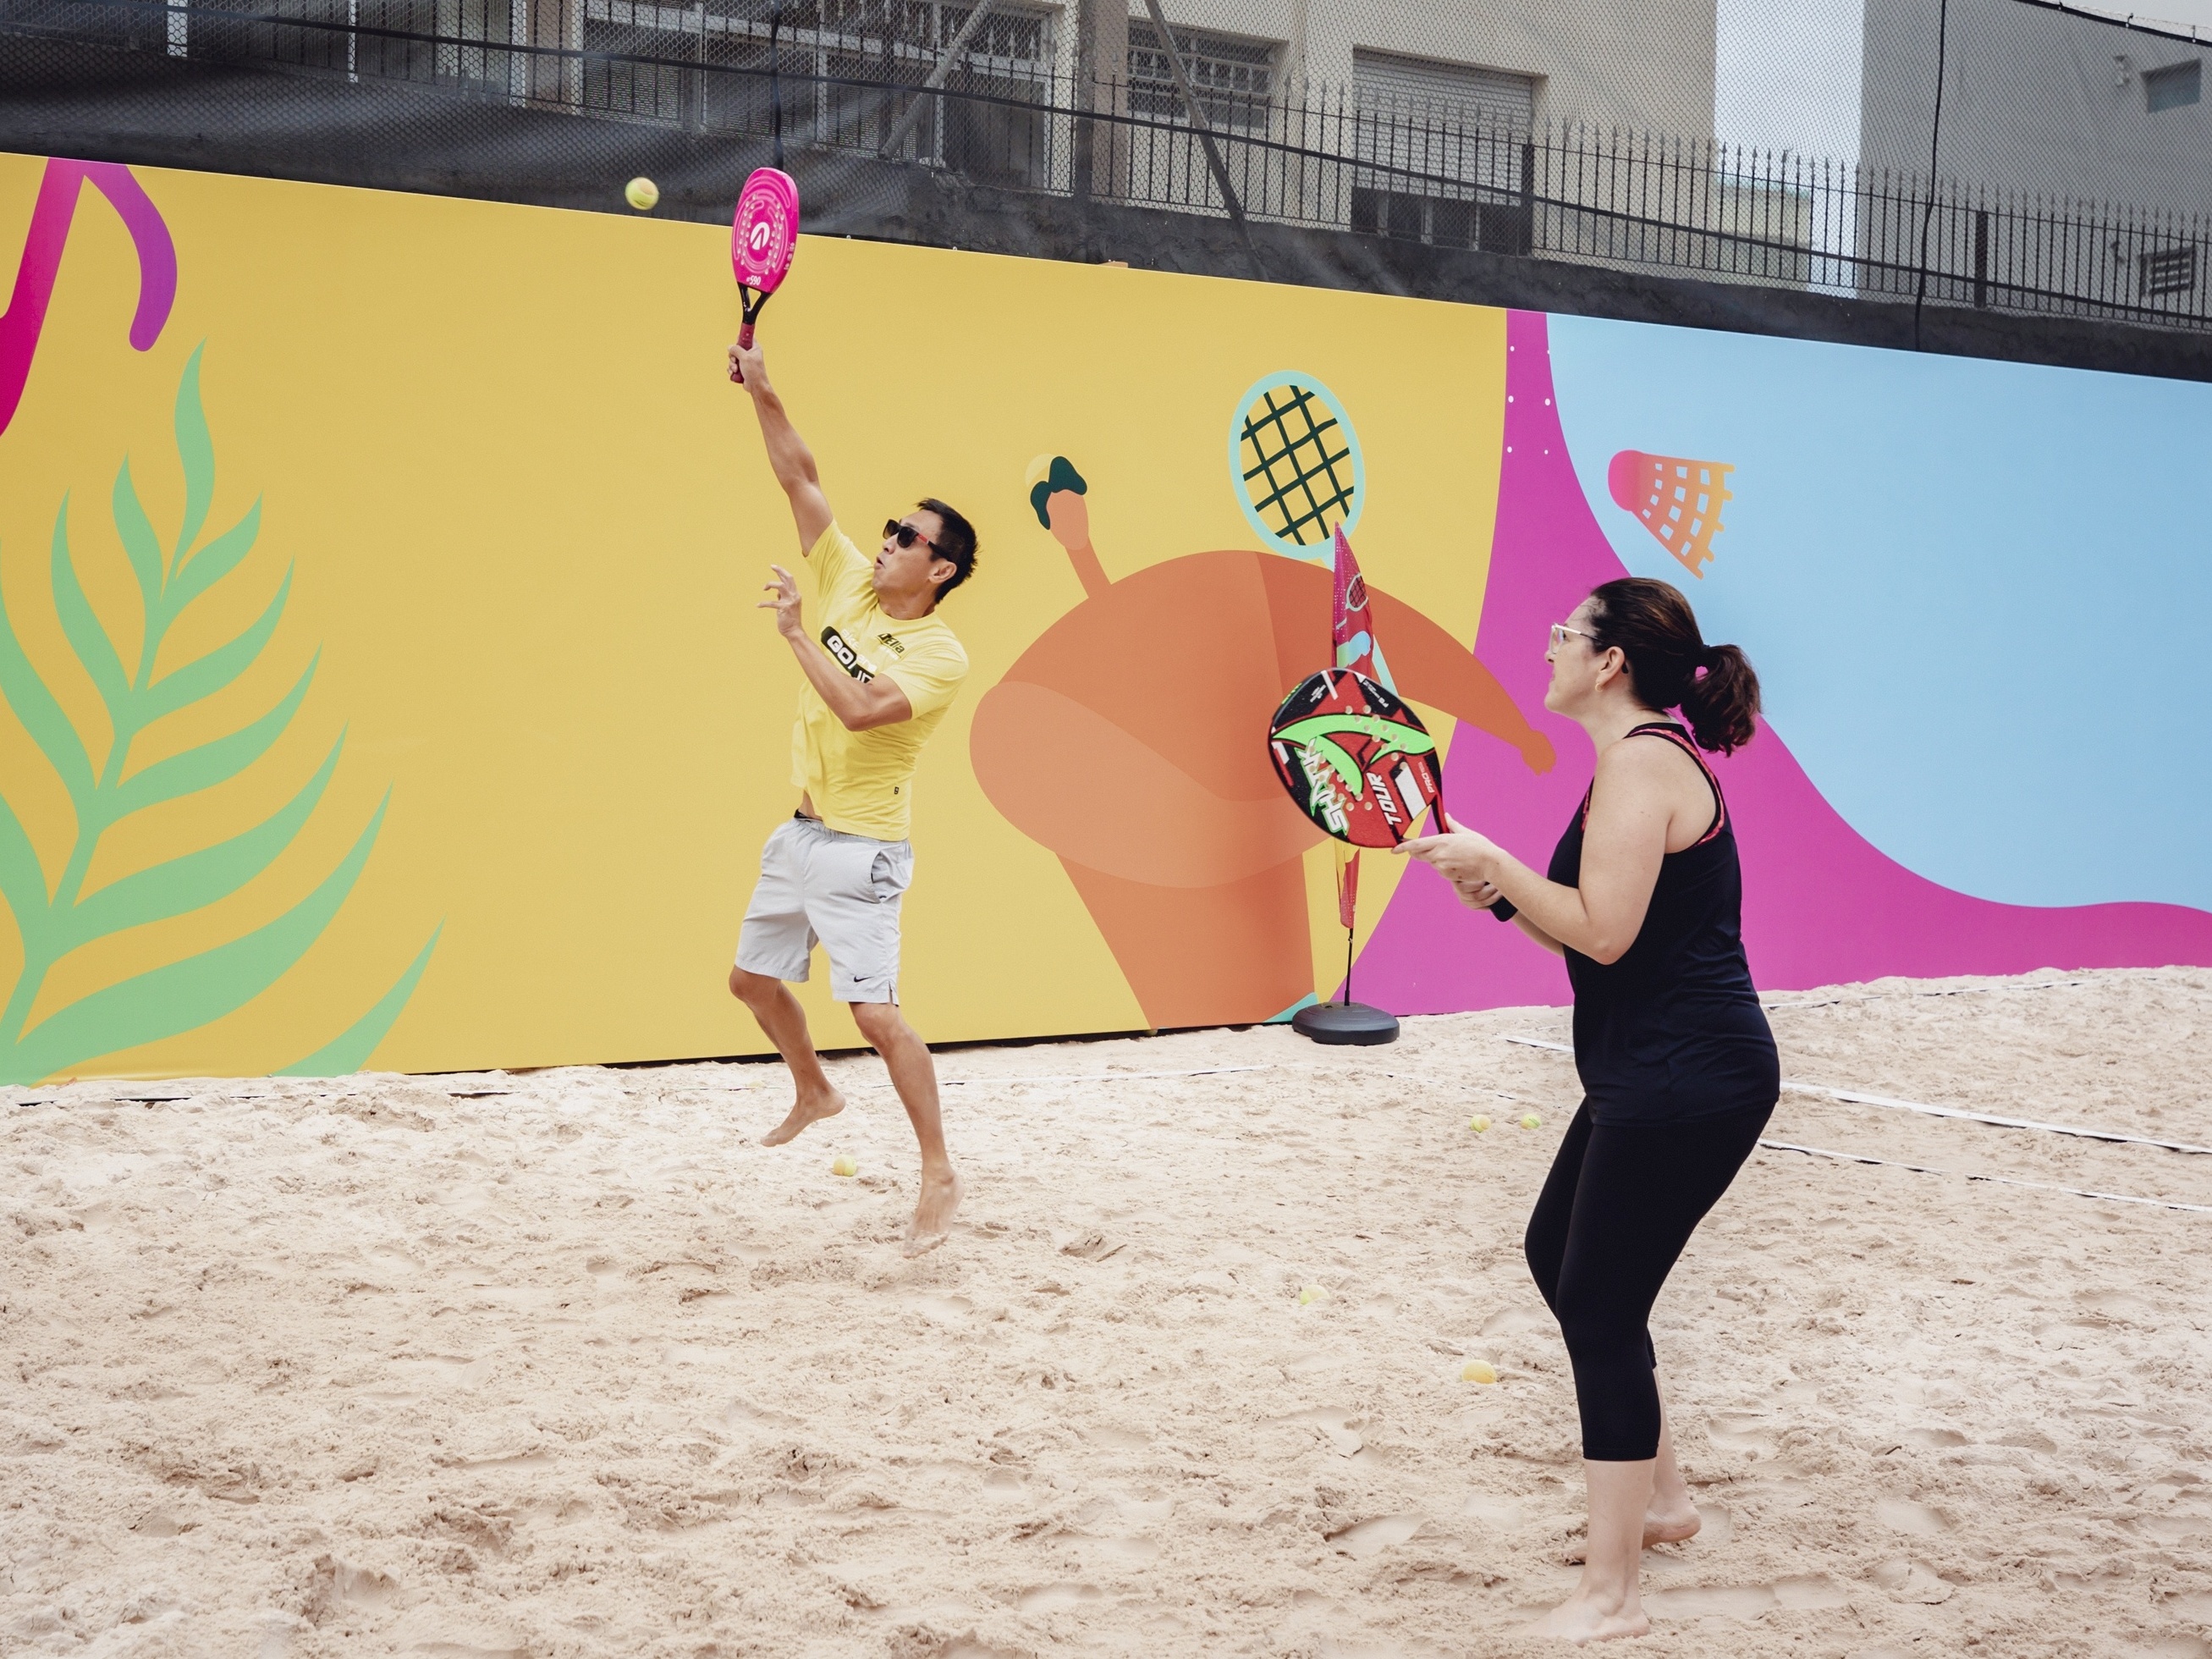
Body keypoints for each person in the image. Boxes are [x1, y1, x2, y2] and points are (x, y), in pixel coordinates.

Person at [1399, 576, 1778, 1644]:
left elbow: (1604, 934)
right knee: (1554, 1252)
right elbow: (1583, 930)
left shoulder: (1644, 764)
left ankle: (1612, 1596)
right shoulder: (1635, 762)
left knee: (1602, 1308)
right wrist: (1503, 890)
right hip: (1652, 1064)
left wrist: (1502, 865)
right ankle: (1662, 1501)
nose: (1550, 643)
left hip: (1686, 1076)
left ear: (1610, 662)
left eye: (1565, 632)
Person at [724, 337, 977, 1255]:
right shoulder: (849, 587)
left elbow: (867, 711)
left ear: (940, 568)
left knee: (874, 1015)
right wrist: (763, 391)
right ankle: (813, 1089)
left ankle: (939, 1171)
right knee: (751, 982)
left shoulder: (939, 654)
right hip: (800, 835)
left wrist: (796, 637)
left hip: (865, 849)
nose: (888, 542)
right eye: (891, 528)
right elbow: (801, 476)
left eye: (909, 539)